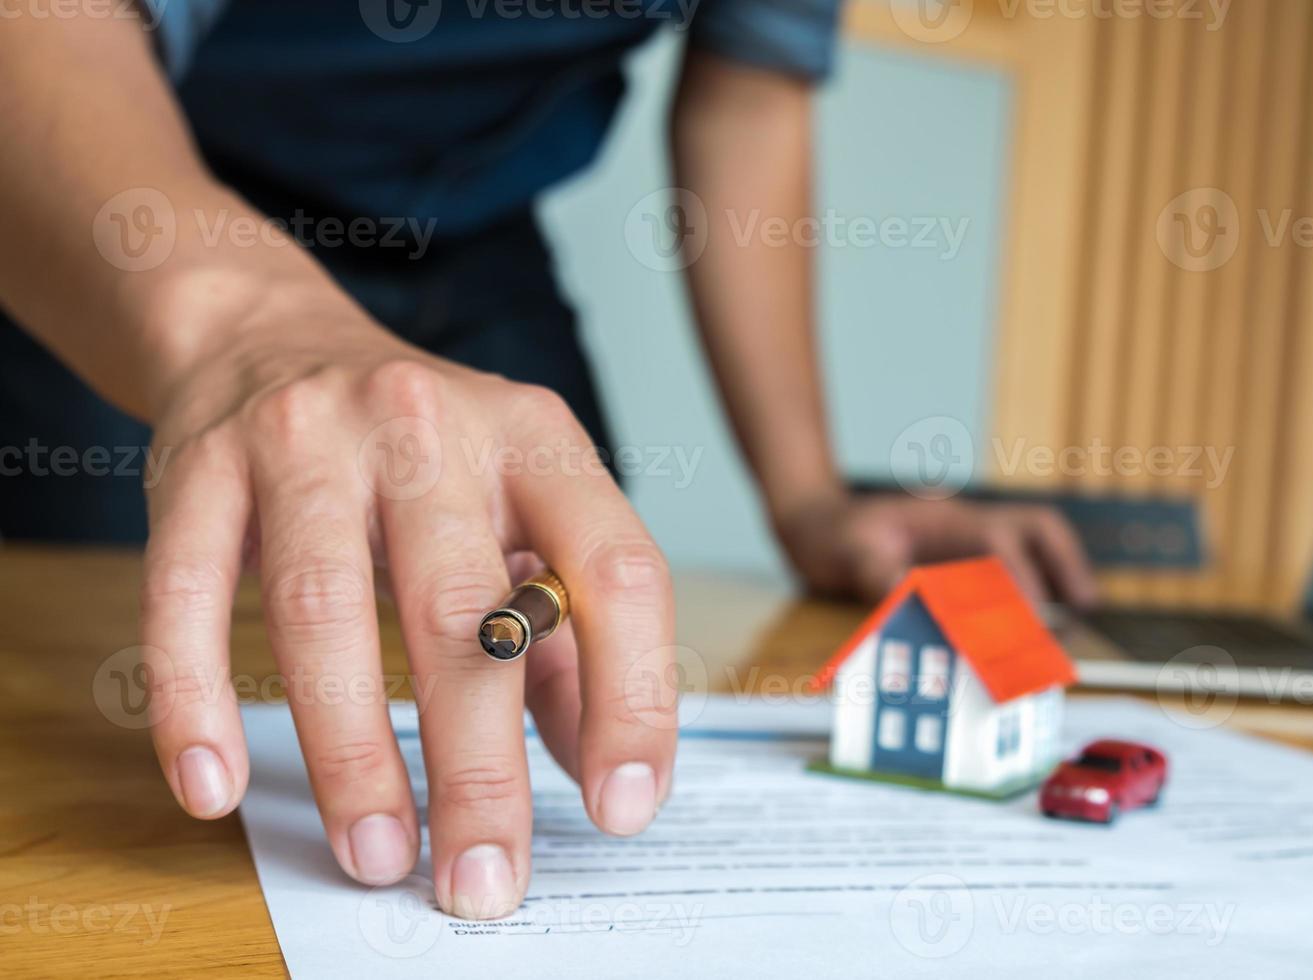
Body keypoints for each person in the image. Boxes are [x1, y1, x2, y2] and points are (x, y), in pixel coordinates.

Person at [0, 2, 1096, 920]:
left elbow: (748, 94)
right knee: (124, 694)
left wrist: (806, 493)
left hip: (477, 247)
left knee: (570, 629)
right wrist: (243, 333)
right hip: (134, 194)